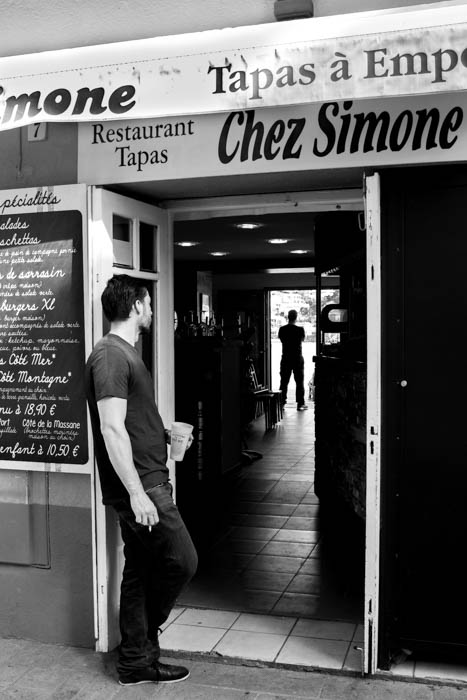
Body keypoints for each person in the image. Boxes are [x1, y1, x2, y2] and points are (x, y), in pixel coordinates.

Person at [85, 274, 198, 687]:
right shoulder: (111, 356)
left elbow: (129, 421)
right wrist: (137, 493)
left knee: (139, 569)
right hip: (142, 486)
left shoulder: (125, 354)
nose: (152, 310)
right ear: (135, 306)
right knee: (183, 560)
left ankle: (135, 662)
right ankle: (145, 641)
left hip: (148, 477)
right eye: (148, 303)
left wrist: (161, 434)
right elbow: (111, 428)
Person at [278, 309, 308, 411]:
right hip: (297, 358)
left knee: (284, 381)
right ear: (296, 317)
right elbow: (302, 339)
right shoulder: (300, 330)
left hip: (286, 358)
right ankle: (300, 404)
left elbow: (282, 340)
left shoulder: (282, 329)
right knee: (299, 382)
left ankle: (281, 403)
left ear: (288, 317)